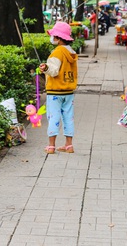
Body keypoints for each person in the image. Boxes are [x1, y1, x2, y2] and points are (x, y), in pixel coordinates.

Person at [39, 21, 78, 155]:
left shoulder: (57, 52)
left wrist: (45, 68)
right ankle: (69, 145)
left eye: (53, 36)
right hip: (69, 91)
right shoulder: (71, 52)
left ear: (58, 38)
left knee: (53, 117)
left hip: (55, 91)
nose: (52, 38)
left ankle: (51, 146)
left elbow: (54, 71)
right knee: (68, 117)